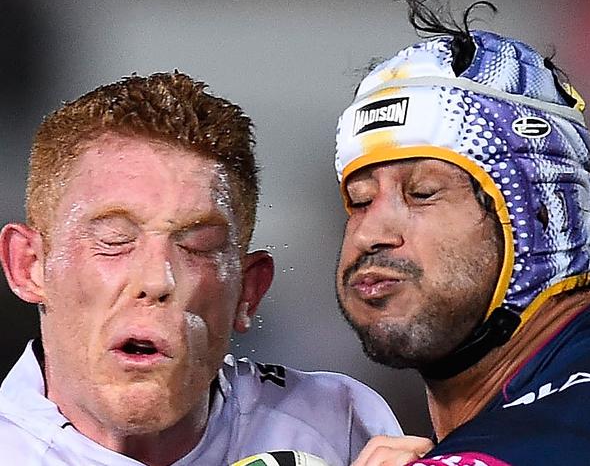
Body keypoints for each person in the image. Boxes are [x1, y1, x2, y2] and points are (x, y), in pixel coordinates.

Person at [0, 72, 402, 465]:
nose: (159, 280)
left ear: (249, 291)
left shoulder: (340, 428)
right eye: (114, 240)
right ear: (29, 266)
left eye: (197, 247)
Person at [334, 0, 590, 466]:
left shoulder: (567, 441)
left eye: (423, 193)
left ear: (539, 214)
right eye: (359, 201)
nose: (369, 234)